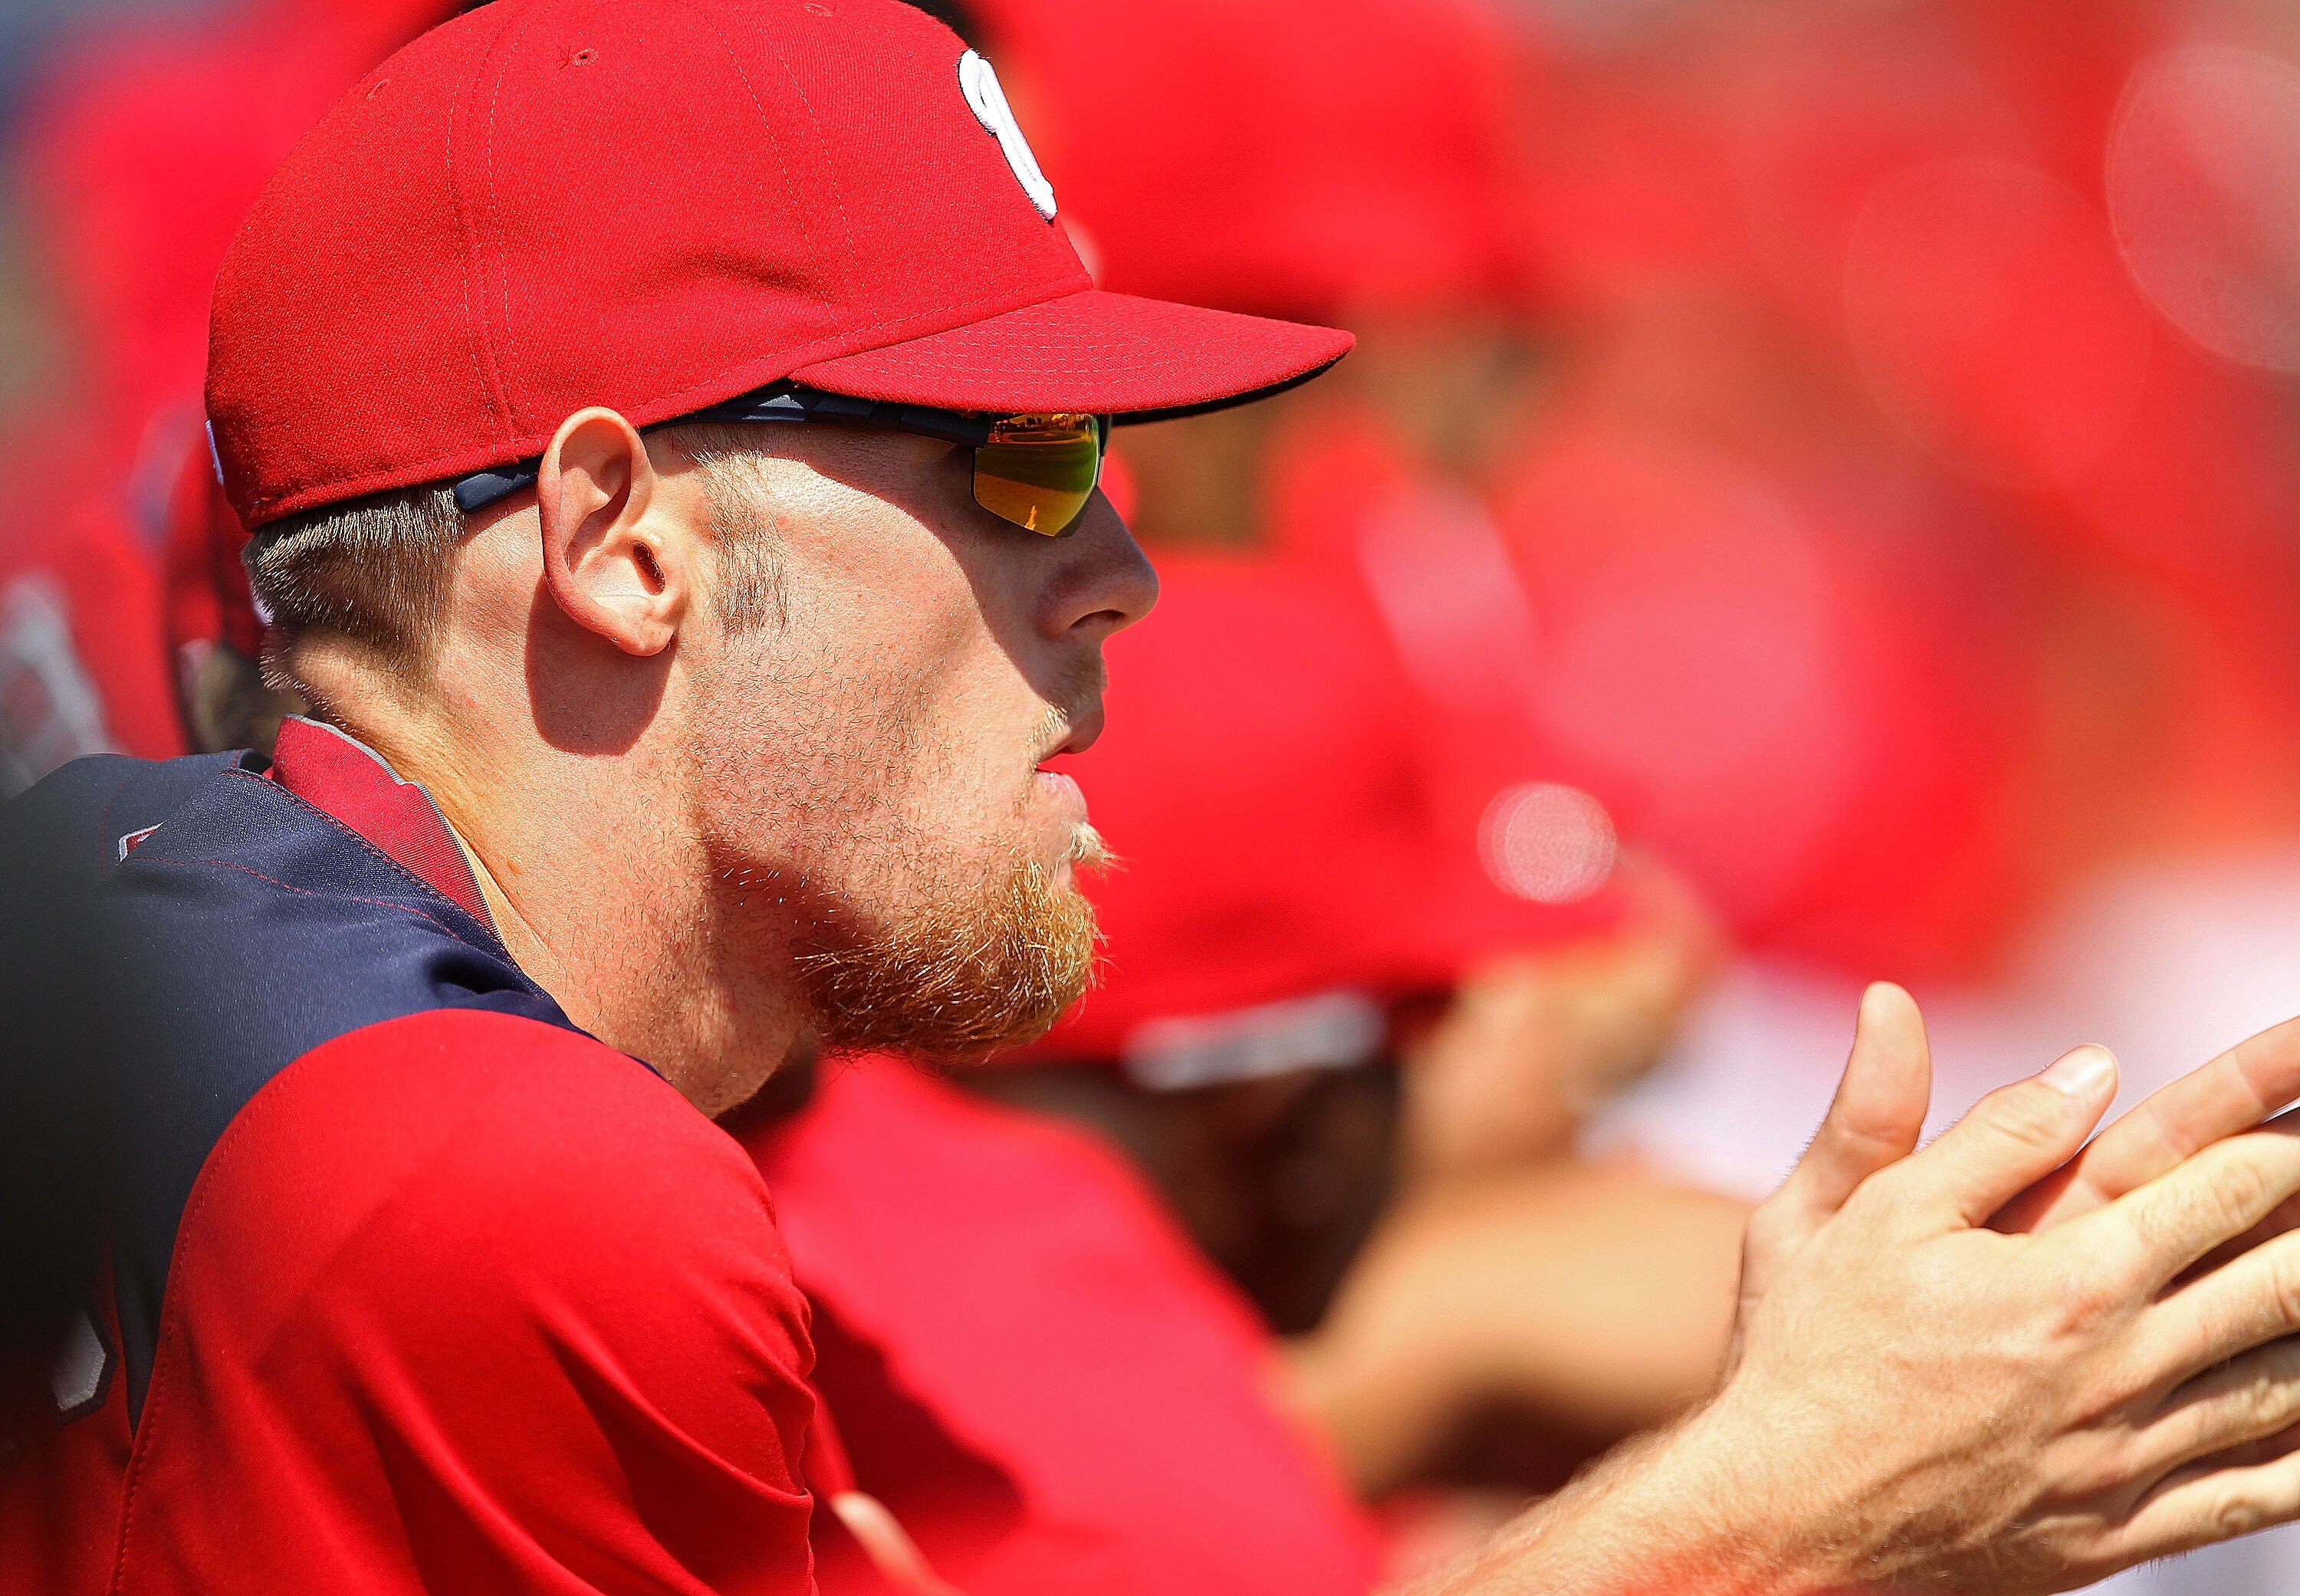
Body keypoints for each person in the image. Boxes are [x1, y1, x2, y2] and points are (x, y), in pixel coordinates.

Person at [8, 6, 2300, 1596]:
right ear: (627, 540)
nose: (1119, 566)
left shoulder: (146, 905)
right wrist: (1803, 1503)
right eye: (1013, 461)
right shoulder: (502, 1182)